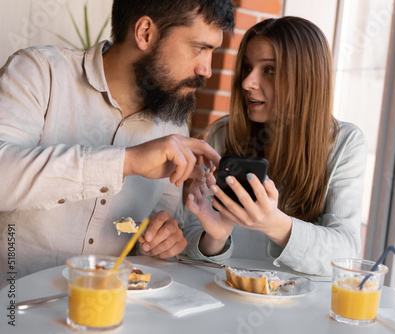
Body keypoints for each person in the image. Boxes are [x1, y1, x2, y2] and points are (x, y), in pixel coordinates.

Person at [0, 0, 234, 281]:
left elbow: (160, 231)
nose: (206, 69)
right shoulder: (39, 72)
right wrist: (127, 161)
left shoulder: (173, 127)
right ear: (145, 32)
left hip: (112, 314)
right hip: (13, 307)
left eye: (212, 51)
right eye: (199, 48)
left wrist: (165, 240)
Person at [183, 16, 368, 276]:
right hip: (222, 296)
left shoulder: (345, 143)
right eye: (247, 68)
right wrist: (215, 237)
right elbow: (189, 244)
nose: (248, 82)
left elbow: (344, 256)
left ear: (306, 79)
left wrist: (274, 223)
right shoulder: (222, 134)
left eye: (269, 70)